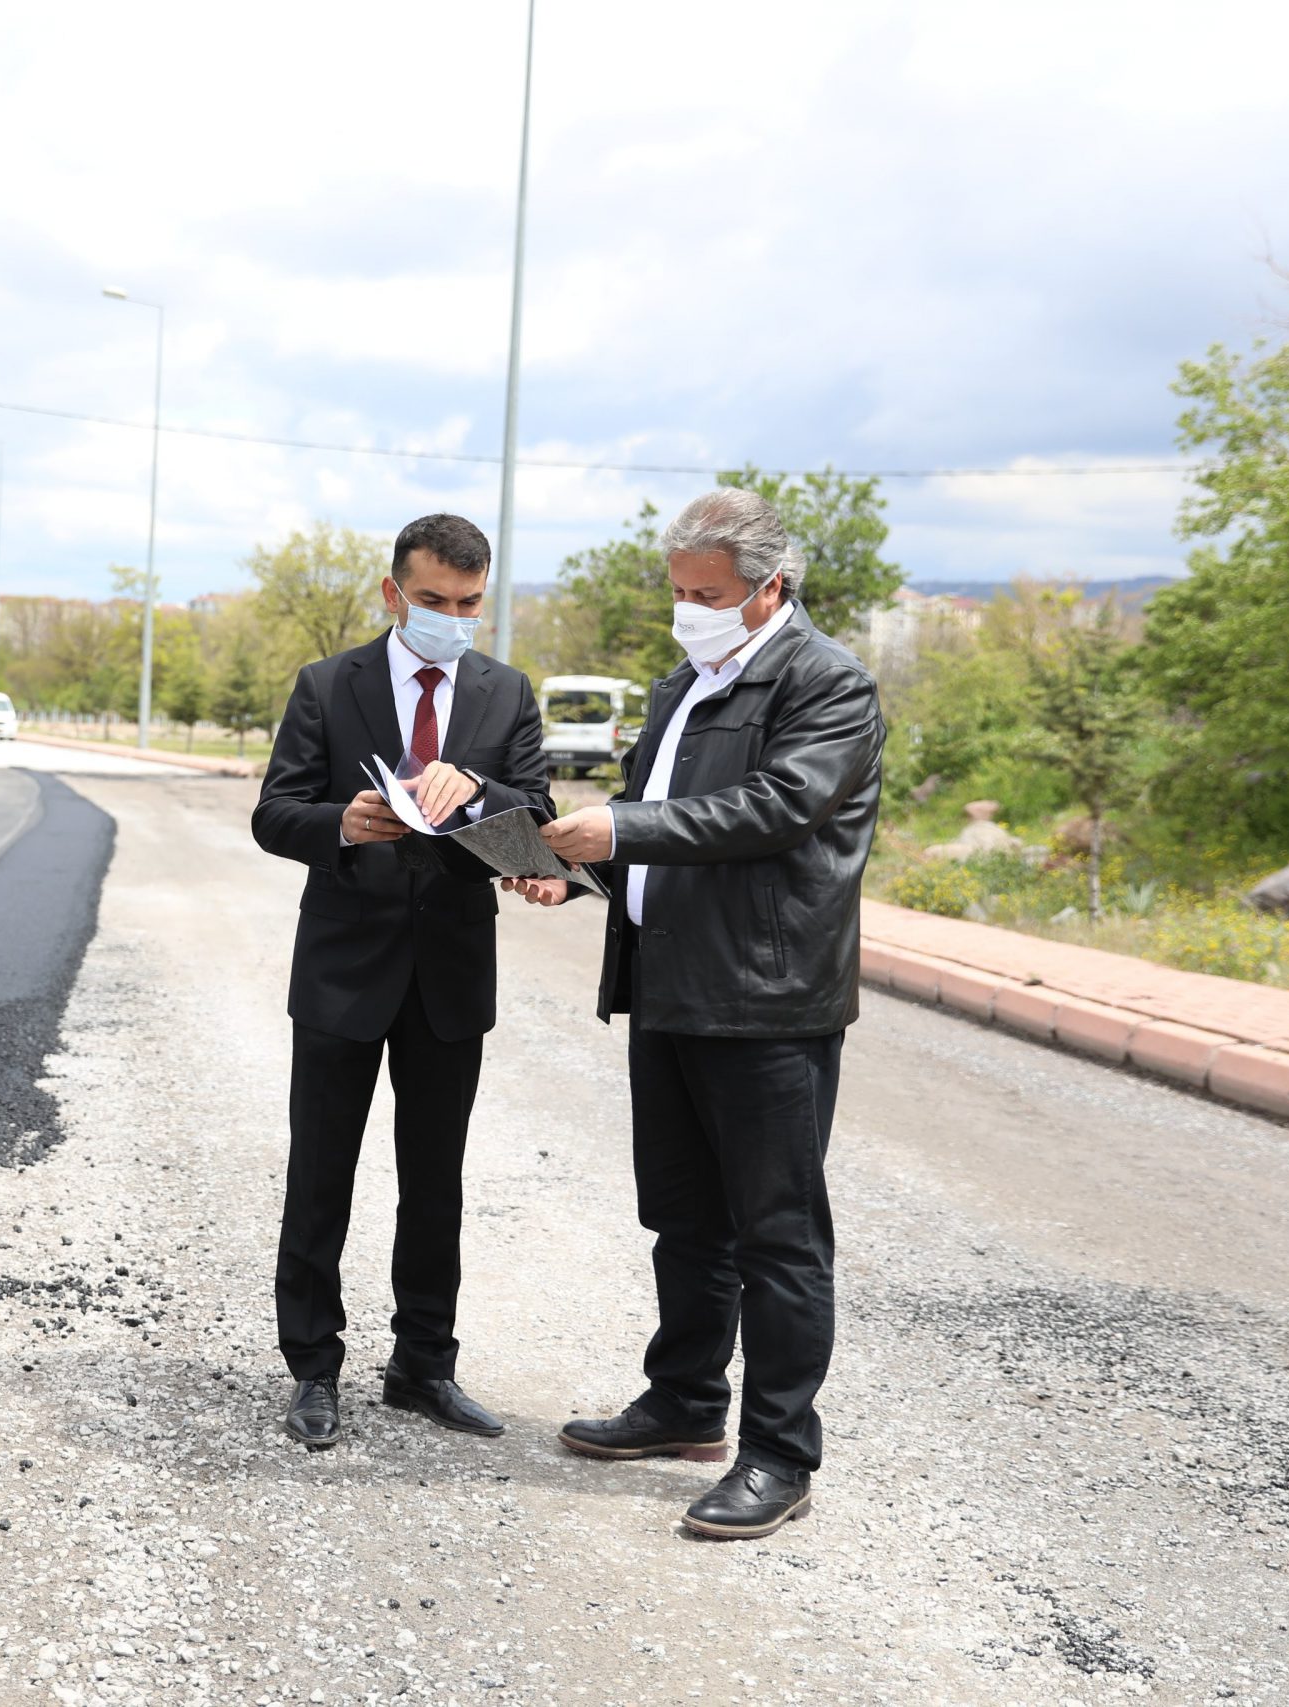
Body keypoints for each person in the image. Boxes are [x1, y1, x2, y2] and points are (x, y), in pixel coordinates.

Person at [516, 487, 883, 1538]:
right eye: (678, 591)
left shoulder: (827, 684)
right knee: (682, 1219)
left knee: (776, 1236)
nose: (689, 609)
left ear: (770, 587)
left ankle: (780, 1456)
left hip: (767, 1003)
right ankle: (684, 1402)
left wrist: (619, 830)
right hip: (671, 992)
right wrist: (569, 871)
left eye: (708, 593)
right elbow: (658, 836)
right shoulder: (685, 681)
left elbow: (768, 810)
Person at [251, 512, 554, 1450]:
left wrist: (482, 792)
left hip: (452, 972)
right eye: (433, 601)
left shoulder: (508, 694)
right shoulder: (326, 685)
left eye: (469, 603)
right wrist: (341, 823)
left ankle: (423, 1364)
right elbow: (273, 812)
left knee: (437, 1182)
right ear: (394, 594)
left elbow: (537, 809)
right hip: (344, 967)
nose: (451, 618)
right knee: (321, 1174)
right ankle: (312, 1368)